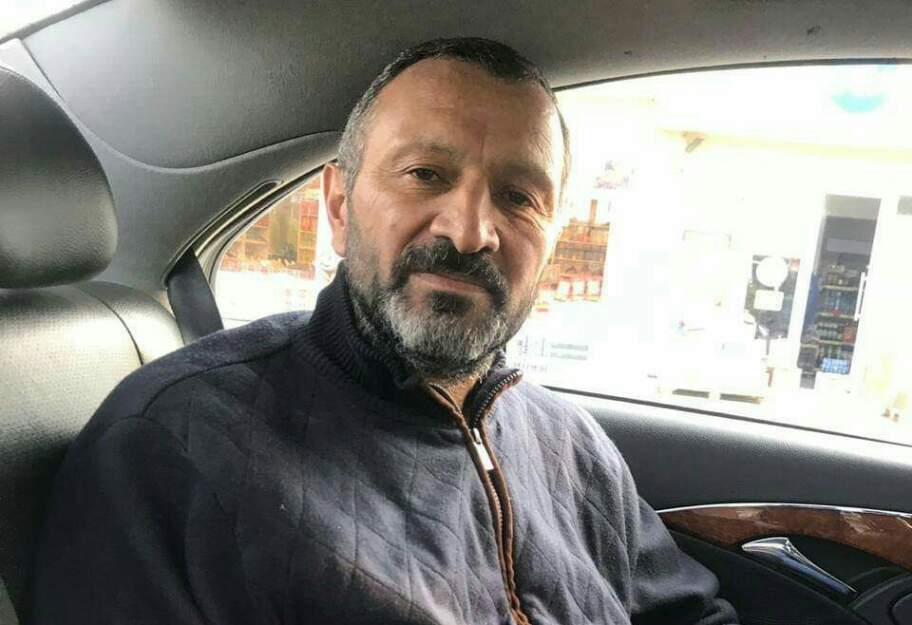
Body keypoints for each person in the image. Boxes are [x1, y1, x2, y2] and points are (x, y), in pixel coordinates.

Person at [33, 37, 738, 625]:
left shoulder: (572, 448)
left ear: (552, 238)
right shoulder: (177, 445)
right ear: (340, 207)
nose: (469, 231)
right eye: (425, 173)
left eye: (518, 196)